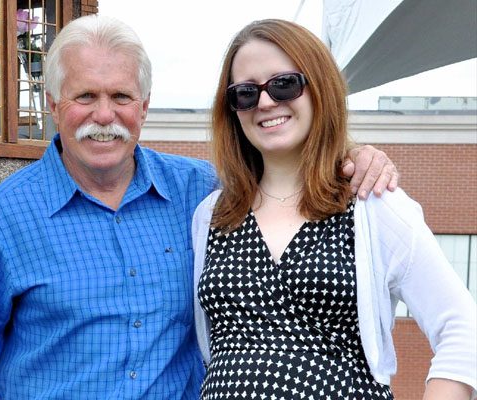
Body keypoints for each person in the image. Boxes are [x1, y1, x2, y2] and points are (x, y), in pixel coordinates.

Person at [0, 15, 399, 399]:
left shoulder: (206, 195)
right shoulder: (2, 218)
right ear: (54, 106)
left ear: (144, 107)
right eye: (86, 97)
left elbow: (292, 172)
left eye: (121, 97)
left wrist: (354, 157)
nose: (105, 115)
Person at [192, 18, 477, 400]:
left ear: (319, 88)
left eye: (283, 84)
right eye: (244, 93)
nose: (264, 102)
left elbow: (462, 329)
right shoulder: (211, 214)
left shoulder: (372, 203)